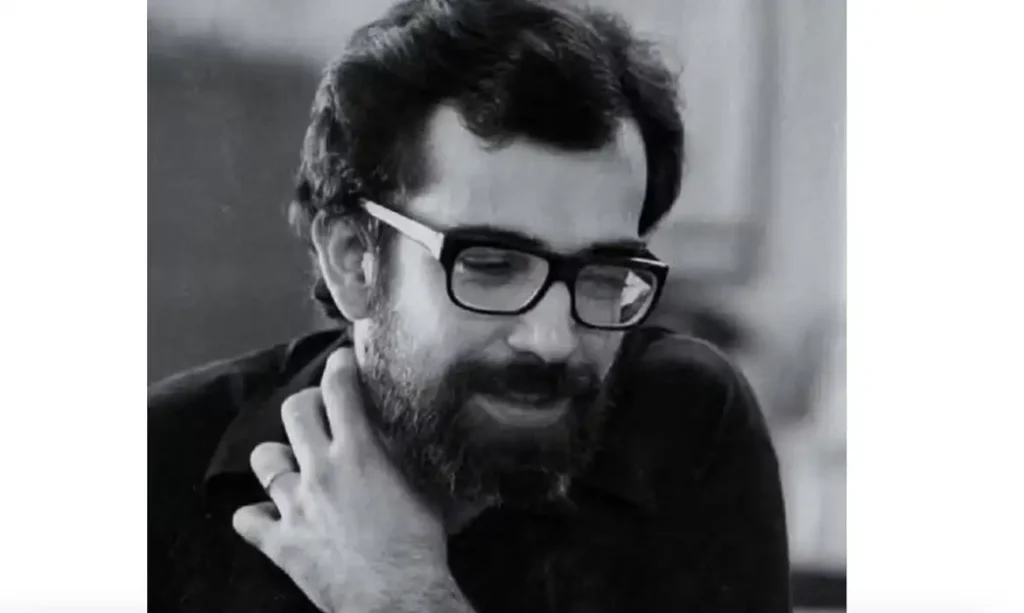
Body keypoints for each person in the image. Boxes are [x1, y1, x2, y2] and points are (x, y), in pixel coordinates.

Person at [148, 0, 791, 611]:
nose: (553, 339)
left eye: (603, 274)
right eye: (491, 266)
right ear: (354, 259)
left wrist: (403, 595)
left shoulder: (684, 425)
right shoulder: (152, 467)